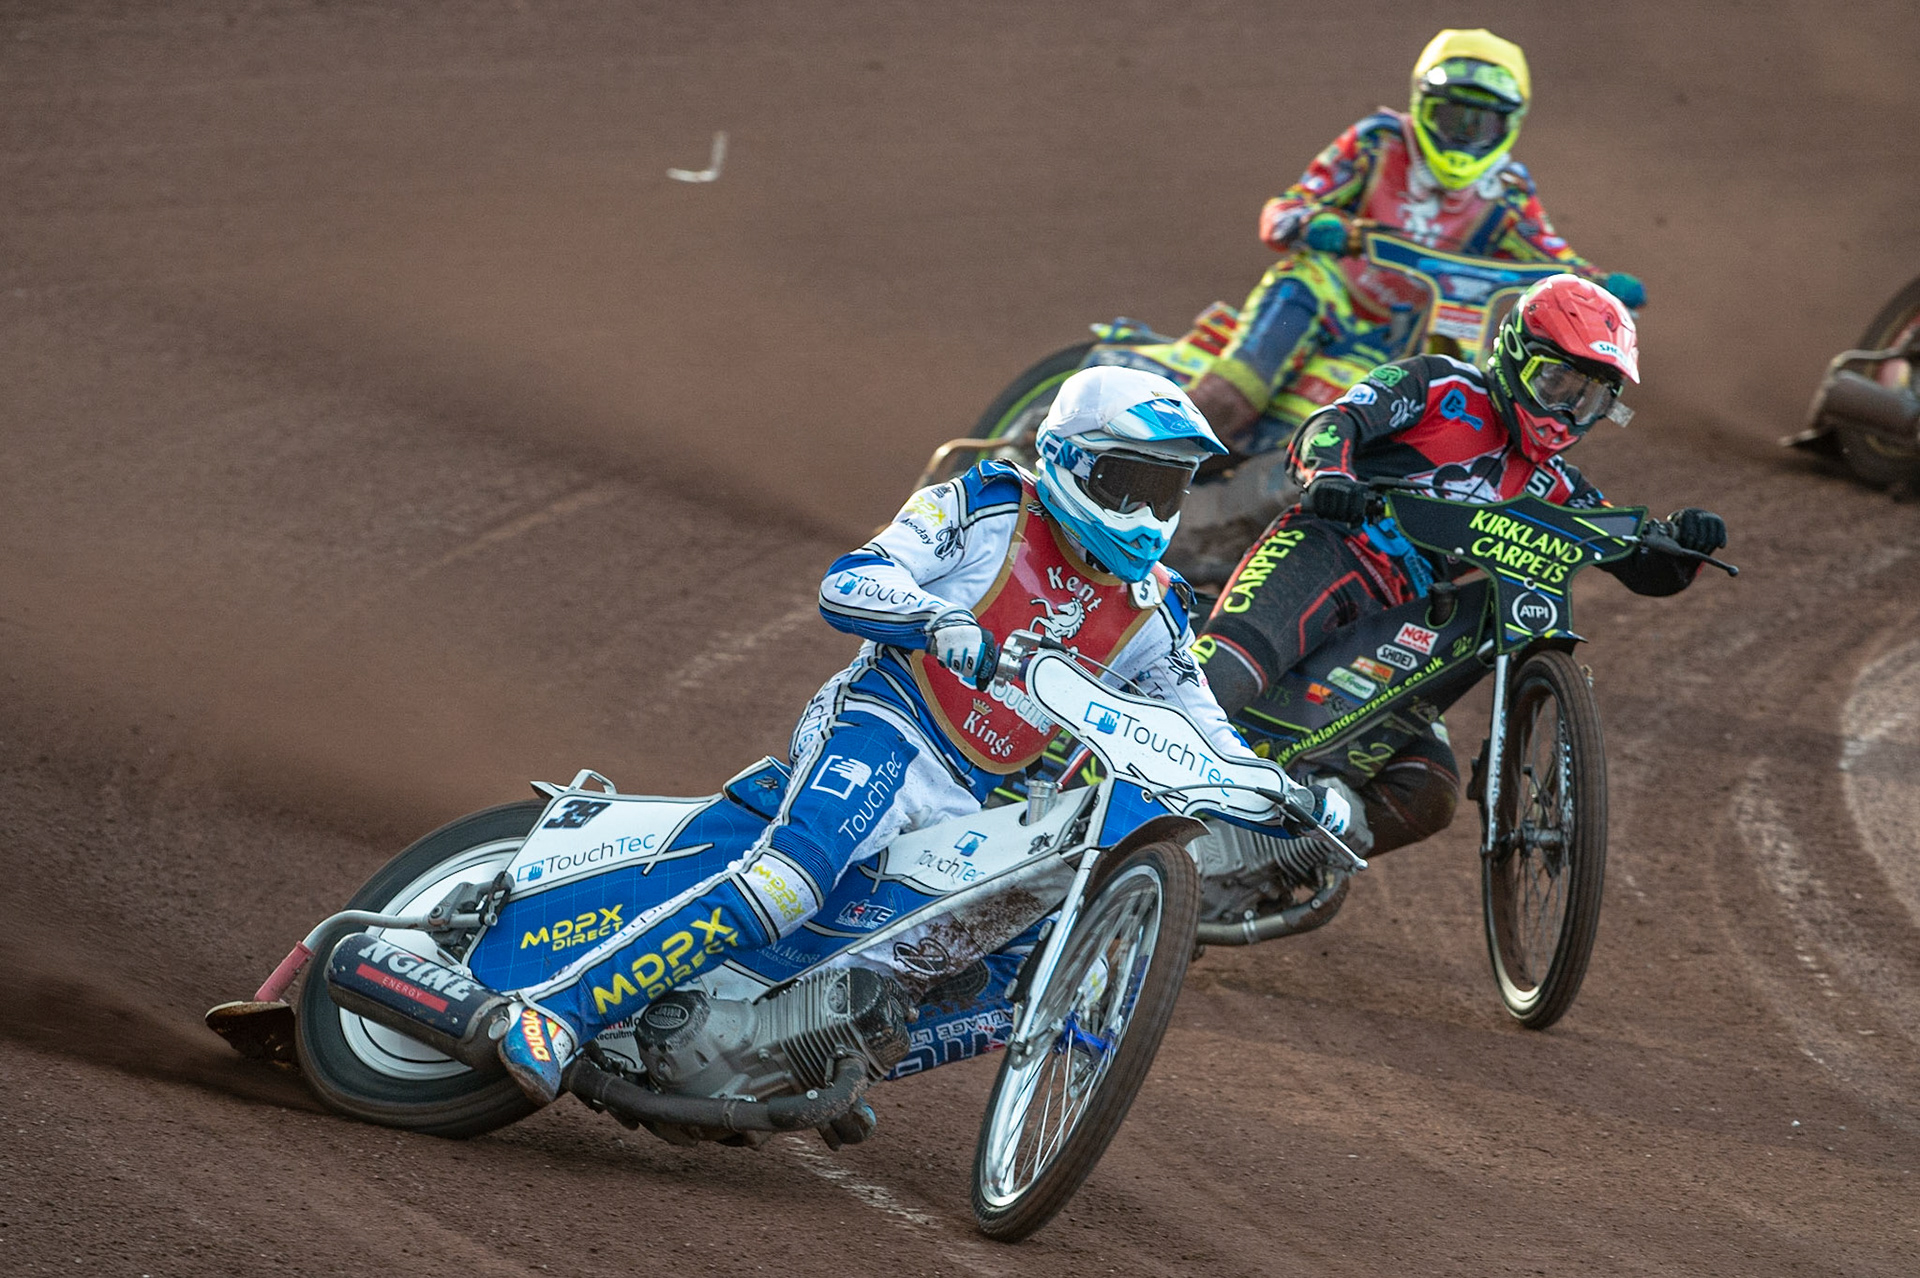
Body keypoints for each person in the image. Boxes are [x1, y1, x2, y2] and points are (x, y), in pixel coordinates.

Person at [491, 366, 1333, 1104]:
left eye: (1167, 490)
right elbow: (852, 577)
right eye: (1128, 482)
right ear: (1071, 463)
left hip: (976, 790)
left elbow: (1202, 725)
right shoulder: (986, 505)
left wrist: (1277, 792)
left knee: (996, 966)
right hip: (886, 722)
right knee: (792, 880)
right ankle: (557, 1012)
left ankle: (803, 1052)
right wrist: (934, 618)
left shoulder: (1157, 610)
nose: (1148, 512)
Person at [1193, 273, 1726, 857]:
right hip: (1327, 551)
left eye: (1590, 400)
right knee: (1214, 684)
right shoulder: (1440, 385)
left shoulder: (1559, 488)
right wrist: (1330, 475)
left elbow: (1635, 562)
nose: (1566, 413)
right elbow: (1334, 423)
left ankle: (1262, 866)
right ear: (1516, 355)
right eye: (1557, 384)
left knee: (1428, 792)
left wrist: (1683, 547)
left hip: (1412, 618)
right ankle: (1091, 802)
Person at [1185, 27, 1648, 451]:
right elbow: (1287, 207)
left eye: (1481, 123)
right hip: (1334, 297)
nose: (1464, 136)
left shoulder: (1507, 188)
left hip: (1413, 329)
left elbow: (1548, 251)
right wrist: (1314, 225)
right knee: (1243, 382)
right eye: (1452, 117)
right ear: (1422, 104)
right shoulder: (1379, 141)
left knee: (1450, 394)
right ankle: (1179, 439)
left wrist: (1597, 284)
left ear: (1510, 123)